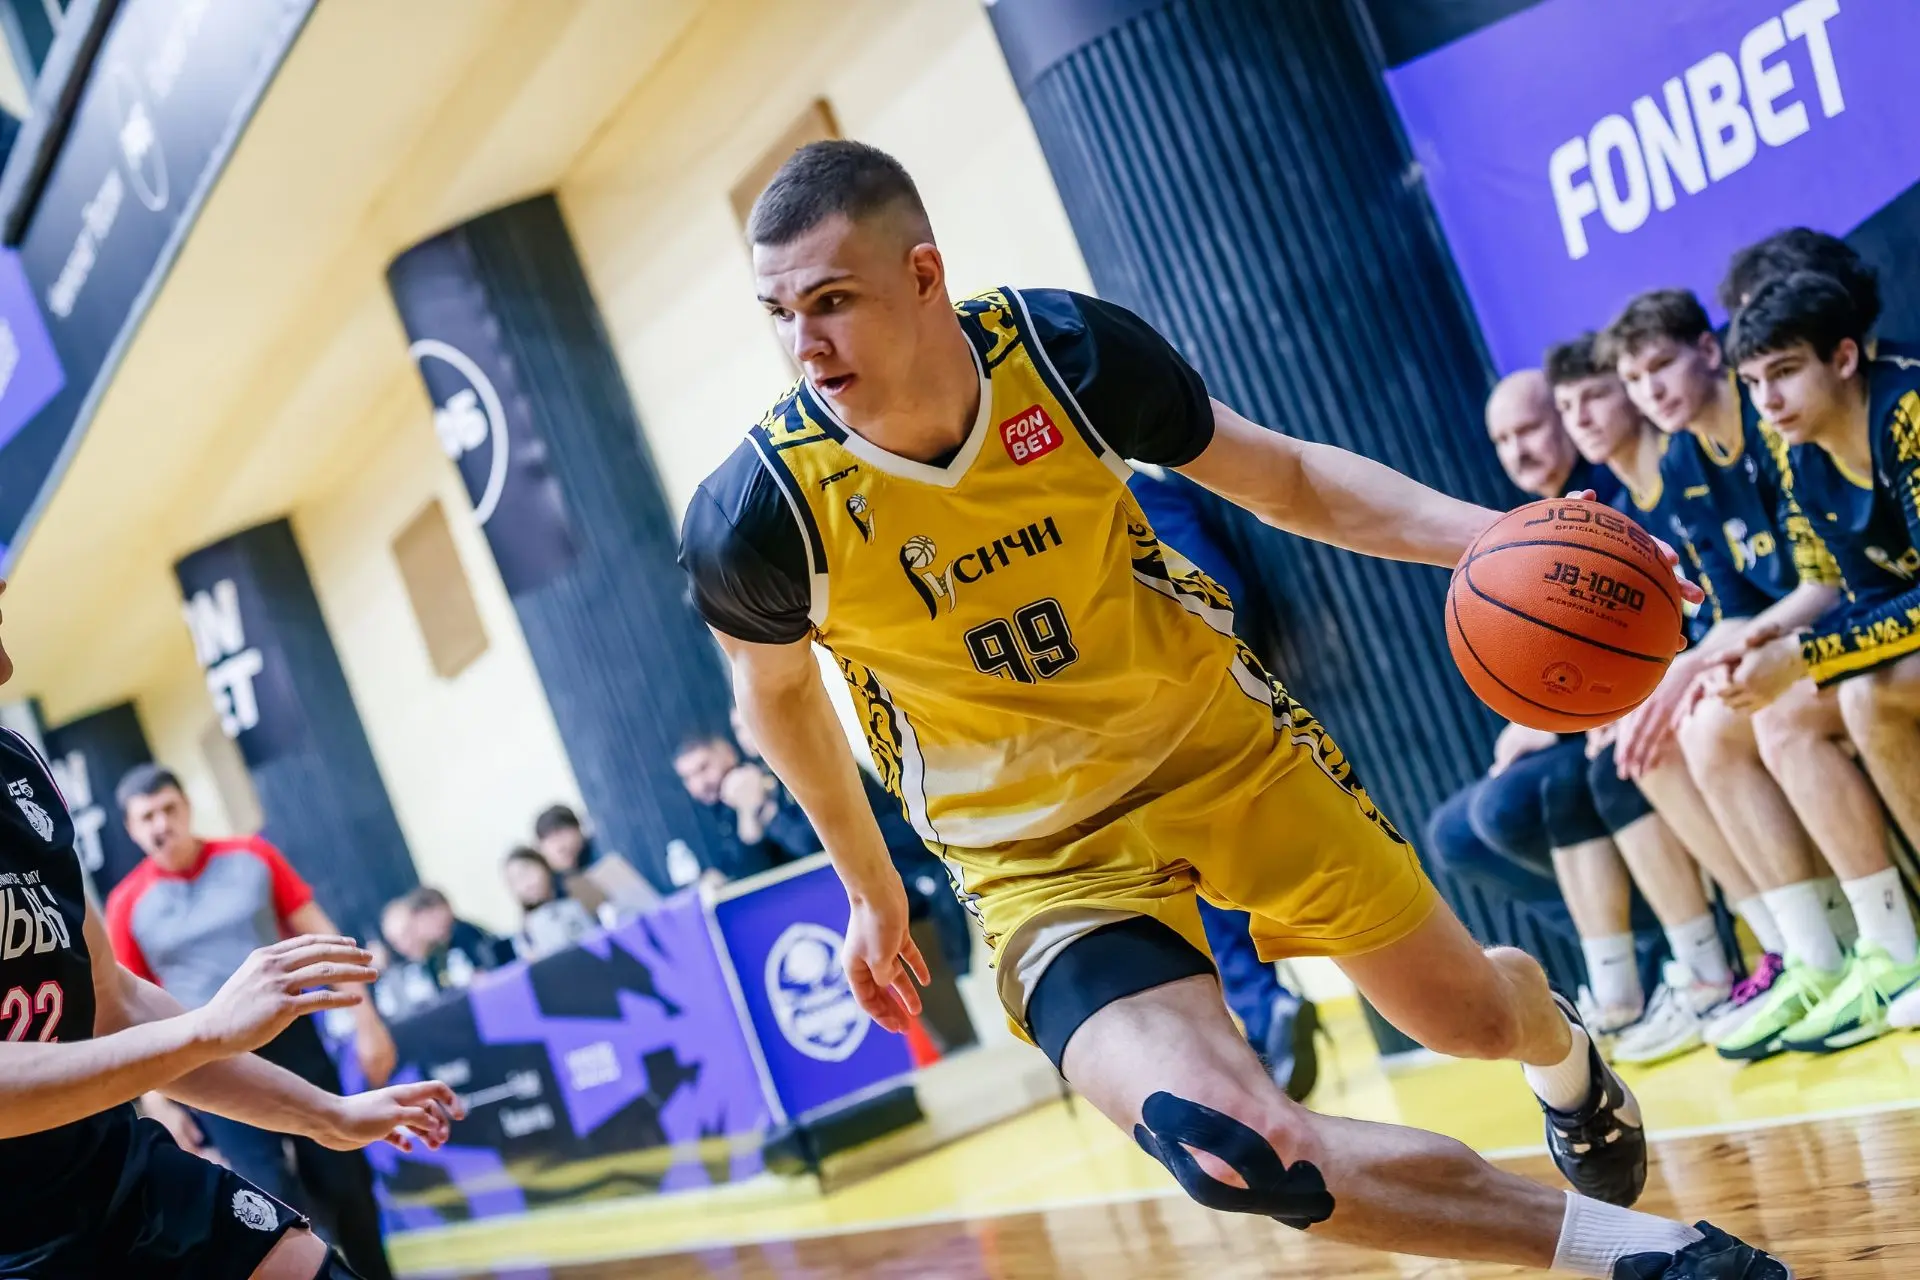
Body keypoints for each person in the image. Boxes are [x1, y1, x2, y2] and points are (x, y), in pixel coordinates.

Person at [678, 140, 1780, 1276]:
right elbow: (776, 700)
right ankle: (1650, 1256)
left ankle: (1556, 1042)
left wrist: (1510, 541)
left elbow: (1288, 479)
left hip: (1225, 752)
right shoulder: (762, 512)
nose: (804, 343)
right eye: (779, 313)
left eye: (832, 301)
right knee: (1235, 1148)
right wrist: (869, 889)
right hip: (1037, 857)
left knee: (1472, 1023)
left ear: (923, 274)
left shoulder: (1065, 356)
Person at [0, 584, 459, 1279]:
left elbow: (115, 1002)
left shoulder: (21, 767)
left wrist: (327, 1113)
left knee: (334, 1239)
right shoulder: (133, 901)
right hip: (19, 1236)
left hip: (138, 1152)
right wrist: (203, 1032)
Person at [1604, 288, 1912, 1059]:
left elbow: (1828, 589)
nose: (1651, 391)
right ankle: (1811, 952)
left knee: (1797, 708)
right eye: (1634, 379)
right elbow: (1742, 607)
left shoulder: (1809, 427)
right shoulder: (1697, 458)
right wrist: (1688, 672)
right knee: (1695, 729)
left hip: (1846, 633)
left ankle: (1885, 942)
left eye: (1660, 366)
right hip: (1839, 631)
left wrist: (1776, 654)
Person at [1545, 335, 1791, 1059]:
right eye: (1568, 406)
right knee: (1608, 765)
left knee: (1657, 745)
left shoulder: (1687, 469)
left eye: (1595, 395)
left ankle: (1773, 947)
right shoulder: (1625, 507)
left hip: (1765, 644)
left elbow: (1727, 610)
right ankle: (1749, 952)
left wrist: (1665, 684)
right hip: (1726, 654)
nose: (1583, 416)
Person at [1713, 270, 1920, 1036]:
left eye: (1785, 372)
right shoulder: (1803, 454)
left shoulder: (1908, 411)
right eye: (1753, 383)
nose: (1768, 400)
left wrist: (1811, 652)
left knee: (1865, 694)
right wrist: (1779, 645)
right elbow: (1868, 597)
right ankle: (1888, 946)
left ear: (1843, 357)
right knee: (1783, 717)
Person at [107, 766, 405, 1280]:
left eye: (168, 809)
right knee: (268, 1200)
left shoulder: (251, 856)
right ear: (132, 829)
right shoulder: (126, 905)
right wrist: (158, 1099)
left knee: (345, 1181)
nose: (161, 824)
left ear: (187, 807)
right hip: (211, 1063)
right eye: (147, 817)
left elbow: (324, 940)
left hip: (293, 1037)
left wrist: (368, 1023)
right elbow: (129, 1009)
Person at [1128, 463, 1321, 1098]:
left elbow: (1219, 595)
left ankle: (1264, 1013)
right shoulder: (1131, 494)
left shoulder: (1128, 495)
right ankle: (1264, 1014)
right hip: (1195, 722)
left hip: (1187, 723)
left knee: (1196, 880)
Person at [673, 733, 817, 875]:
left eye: (704, 768)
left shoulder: (777, 780)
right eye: (688, 778)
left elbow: (813, 848)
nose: (700, 784)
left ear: (727, 755)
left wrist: (764, 811)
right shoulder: (716, 813)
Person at [500, 847, 596, 959]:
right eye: (514, 881)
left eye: (526, 873)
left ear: (542, 864)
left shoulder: (575, 886)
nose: (525, 885)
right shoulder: (527, 926)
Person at [532, 804, 600, 876]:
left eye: (562, 835)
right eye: (552, 841)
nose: (560, 846)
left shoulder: (598, 849)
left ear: (578, 829)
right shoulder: (547, 878)